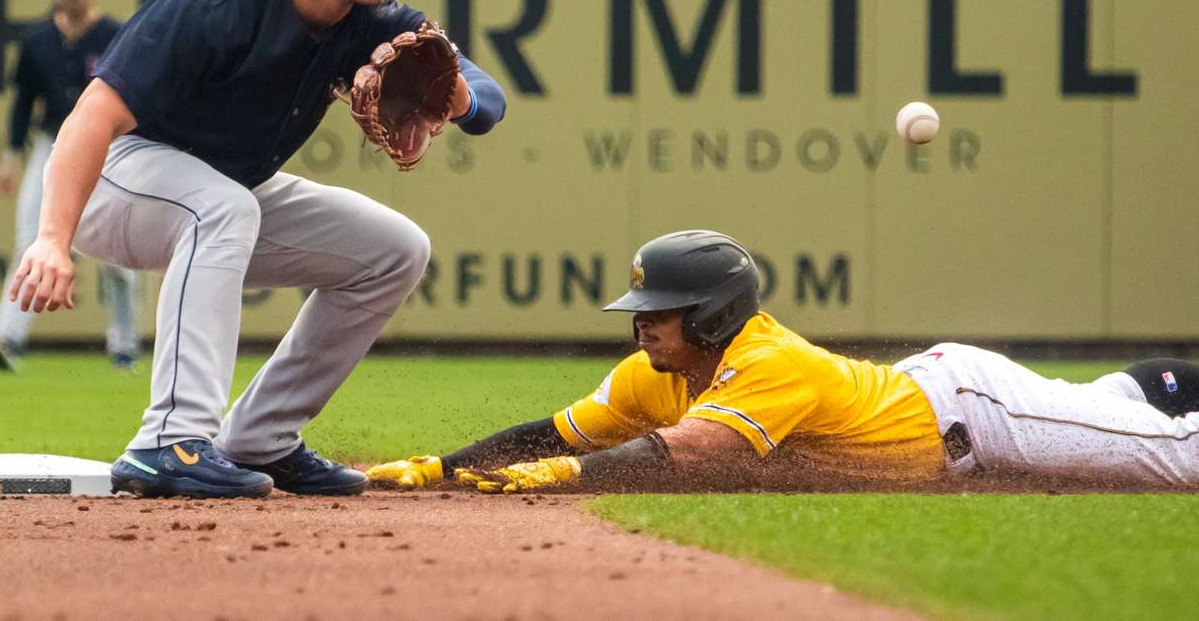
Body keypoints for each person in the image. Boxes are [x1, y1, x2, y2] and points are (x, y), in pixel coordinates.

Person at [5, 0, 506, 500]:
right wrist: (52, 237)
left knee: (394, 250)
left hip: (223, 187)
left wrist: (458, 97)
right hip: (117, 177)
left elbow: (489, 102)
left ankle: (261, 437)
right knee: (223, 209)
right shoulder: (215, 1)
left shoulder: (376, 20)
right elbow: (92, 116)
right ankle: (169, 441)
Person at [367, 230, 1199, 493]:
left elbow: (693, 455)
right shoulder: (648, 376)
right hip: (932, 408)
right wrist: (445, 465)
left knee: (1177, 460)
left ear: (716, 314)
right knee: (1110, 406)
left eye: (661, 314)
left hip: (974, 411)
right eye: (640, 314)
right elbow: (555, 429)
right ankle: (1162, 380)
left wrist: (567, 477)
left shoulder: (772, 361)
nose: (644, 329)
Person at [0, 0, 141, 375]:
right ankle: (8, 337)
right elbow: (22, 104)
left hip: (107, 146)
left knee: (117, 251)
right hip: (51, 144)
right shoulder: (37, 41)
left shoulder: (113, 34)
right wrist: (12, 154)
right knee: (31, 239)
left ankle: (123, 346)